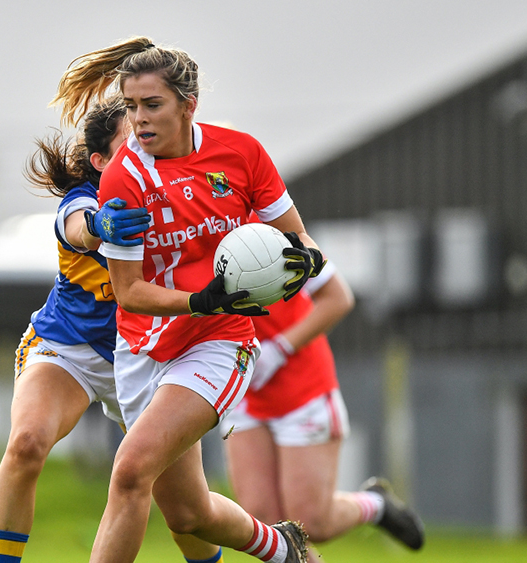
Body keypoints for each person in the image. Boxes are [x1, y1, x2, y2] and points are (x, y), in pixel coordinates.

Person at [52, 36, 328, 563]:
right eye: (131, 107)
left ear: (188, 105)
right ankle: (282, 548)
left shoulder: (241, 153)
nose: (139, 120)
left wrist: (304, 263)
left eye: (152, 105)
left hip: (219, 342)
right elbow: (129, 292)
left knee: (130, 470)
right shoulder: (123, 180)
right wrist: (199, 298)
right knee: (189, 514)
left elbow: (300, 239)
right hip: (142, 349)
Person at [0, 98, 149, 563]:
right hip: (67, 349)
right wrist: (101, 224)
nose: (144, 148)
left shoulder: (176, 197)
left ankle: (275, 546)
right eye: (130, 142)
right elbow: (77, 228)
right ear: (99, 163)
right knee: (27, 442)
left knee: (188, 509)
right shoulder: (83, 200)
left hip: (144, 359)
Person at [221, 227, 424, 561]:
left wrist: (280, 349)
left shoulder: (269, 230)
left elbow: (338, 298)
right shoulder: (186, 225)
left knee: (311, 522)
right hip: (245, 390)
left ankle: (376, 506)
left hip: (302, 389)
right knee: (265, 523)